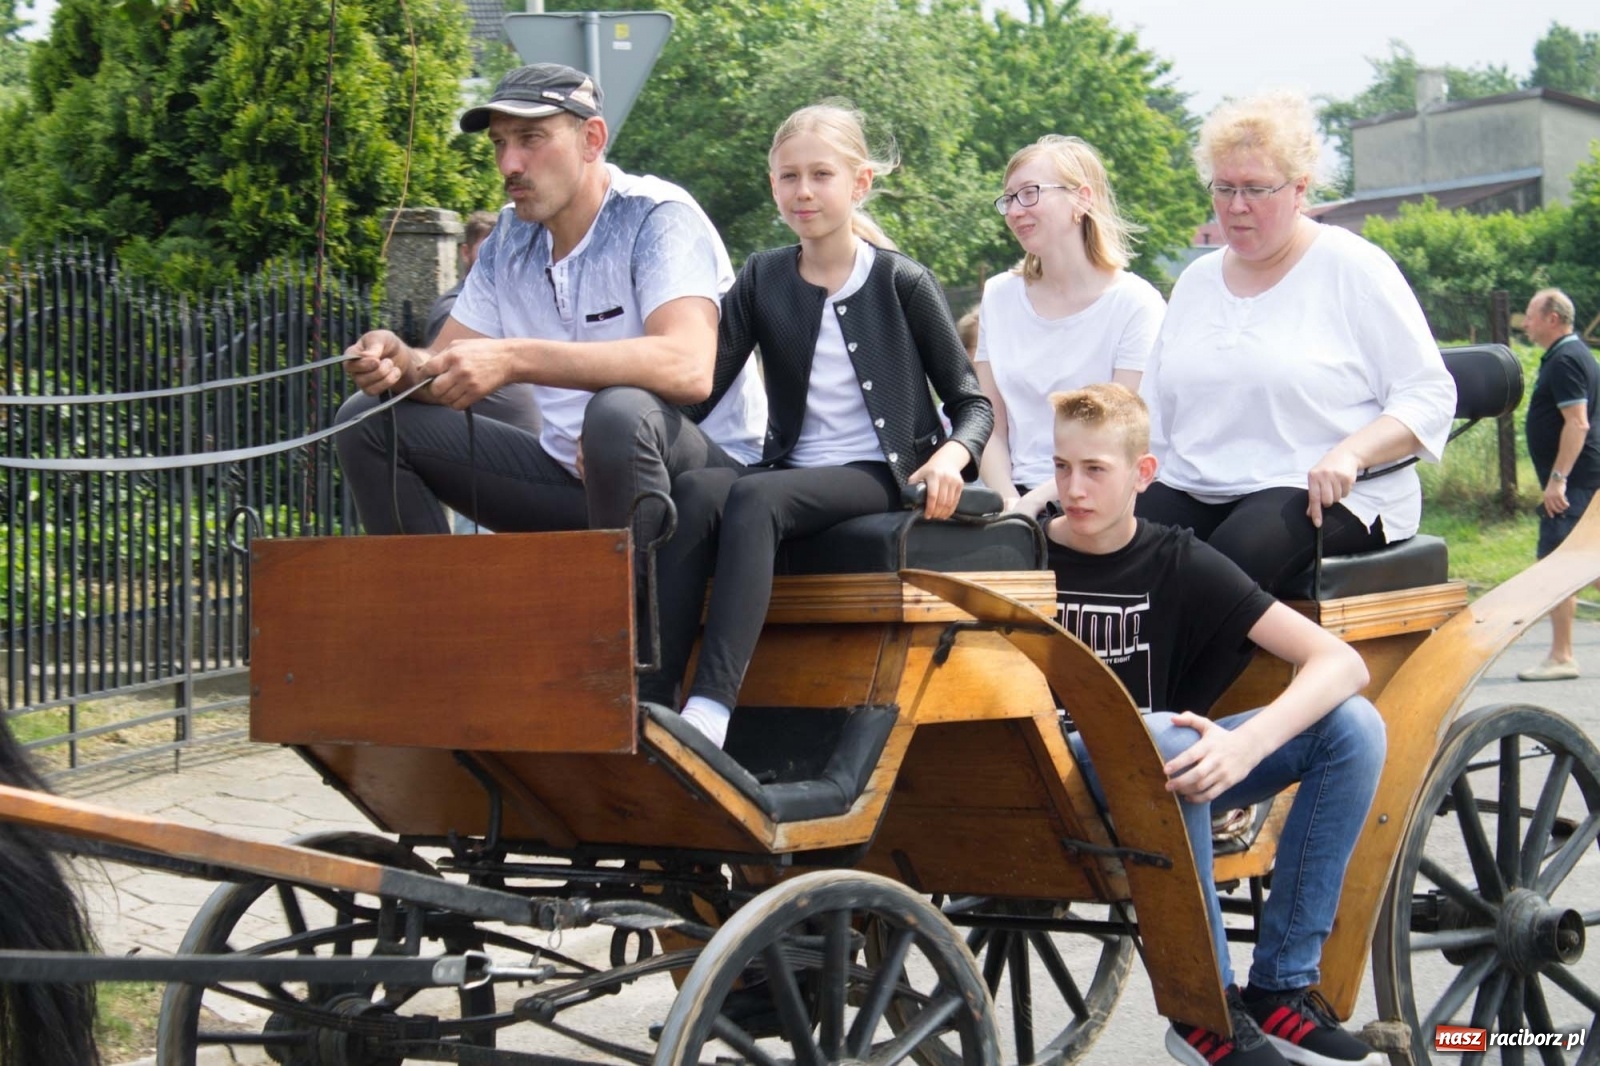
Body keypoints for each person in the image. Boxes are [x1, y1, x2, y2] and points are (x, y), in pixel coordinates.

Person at [1048, 383, 1385, 1066]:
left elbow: (1339, 663)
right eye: (1060, 467)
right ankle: (1205, 1005)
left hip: (1159, 776)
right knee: (1169, 734)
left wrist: (1246, 743)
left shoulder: (1177, 558)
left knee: (1353, 726)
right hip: (1051, 775)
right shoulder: (1017, 551)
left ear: (1143, 475)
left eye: (1094, 470)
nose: (1073, 488)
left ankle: (1280, 991)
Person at [639, 103, 992, 746]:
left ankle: (711, 709)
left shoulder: (901, 281)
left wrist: (951, 458)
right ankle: (653, 697)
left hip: (883, 469)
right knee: (694, 493)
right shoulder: (762, 277)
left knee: (753, 497)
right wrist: (642, 431)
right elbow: (700, 388)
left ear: (859, 184)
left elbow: (972, 402)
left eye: (820, 175)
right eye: (787, 176)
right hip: (792, 467)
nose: (802, 191)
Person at [336, 63, 765, 548]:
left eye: (530, 138)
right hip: (571, 484)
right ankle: (436, 617)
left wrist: (516, 359)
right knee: (369, 418)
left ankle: (636, 621)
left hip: (698, 488)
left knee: (618, 416)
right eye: (499, 143)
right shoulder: (508, 237)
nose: (508, 164)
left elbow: (688, 367)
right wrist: (402, 363)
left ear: (592, 139)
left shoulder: (656, 216)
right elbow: (440, 372)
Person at [1136, 91, 1456, 596]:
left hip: (1318, 489)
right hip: (1199, 482)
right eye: (1223, 188)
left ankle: (1199, 678)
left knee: (1229, 563)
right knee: (1113, 549)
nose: (1236, 206)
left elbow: (1429, 394)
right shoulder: (1196, 281)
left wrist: (1350, 454)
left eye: (1256, 189)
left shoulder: (1353, 267)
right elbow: (1151, 412)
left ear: (1299, 189)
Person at [975, 135, 1164, 519]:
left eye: (1029, 193)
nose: (1014, 211)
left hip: (1098, 505)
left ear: (1082, 198)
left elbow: (1120, 439)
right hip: (1011, 499)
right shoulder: (998, 295)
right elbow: (989, 425)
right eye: (1008, 199)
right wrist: (1010, 501)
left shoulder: (1135, 304)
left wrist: (1037, 503)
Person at [1517, 288, 1600, 681]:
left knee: (1558, 565)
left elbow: (1578, 422)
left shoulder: (1566, 358)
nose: (1526, 322)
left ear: (1552, 318)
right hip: (1585, 478)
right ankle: (1561, 653)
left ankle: (1562, 656)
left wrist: (1558, 480)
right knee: (1587, 565)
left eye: (1532, 315)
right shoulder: (1571, 354)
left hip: (1575, 481)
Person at [423, 209, 499, 347]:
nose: (496, 258)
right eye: (487, 250)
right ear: (465, 252)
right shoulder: (454, 309)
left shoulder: (493, 301)